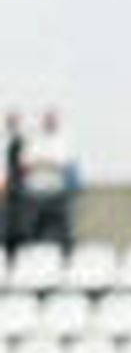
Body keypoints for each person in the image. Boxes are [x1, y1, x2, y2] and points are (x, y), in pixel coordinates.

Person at [26, 108, 77, 251]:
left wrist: (42, 163)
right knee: (34, 230)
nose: (49, 123)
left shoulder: (64, 141)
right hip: (35, 192)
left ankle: (64, 260)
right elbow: (28, 164)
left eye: (52, 120)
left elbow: (63, 164)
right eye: (47, 120)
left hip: (57, 191)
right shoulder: (34, 140)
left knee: (63, 231)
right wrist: (48, 163)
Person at [2, 109, 28, 259]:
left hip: (16, 188)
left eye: (15, 121)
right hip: (5, 186)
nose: (12, 124)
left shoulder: (21, 140)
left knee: (16, 226)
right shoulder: (3, 140)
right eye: (10, 121)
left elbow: (24, 165)